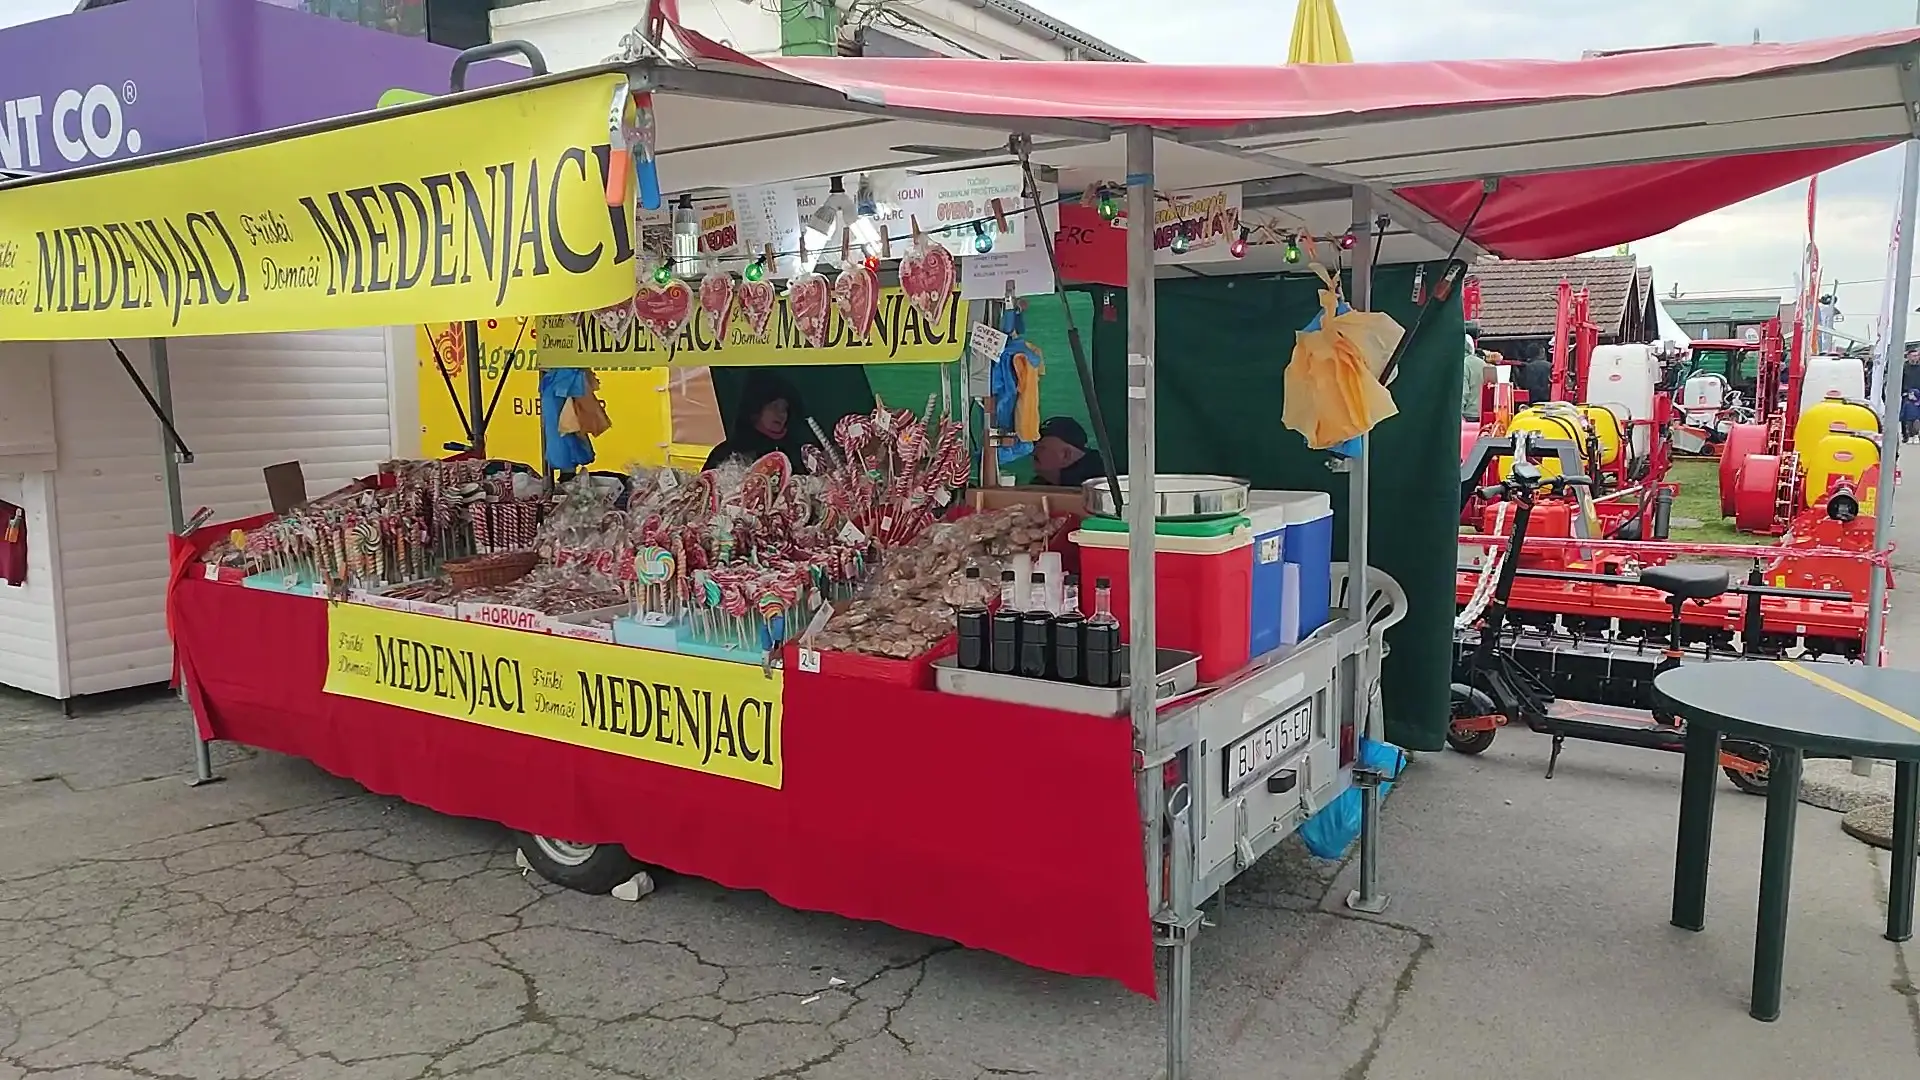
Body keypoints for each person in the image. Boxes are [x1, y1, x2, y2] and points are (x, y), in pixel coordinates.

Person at [703, 372, 812, 473]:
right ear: (756, 409)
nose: (781, 414)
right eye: (775, 406)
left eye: (785, 408)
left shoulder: (797, 453)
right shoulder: (728, 452)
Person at [1031, 416, 1108, 488]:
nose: (1033, 452)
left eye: (1041, 448)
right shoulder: (1043, 482)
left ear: (1066, 455)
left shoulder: (1098, 486)